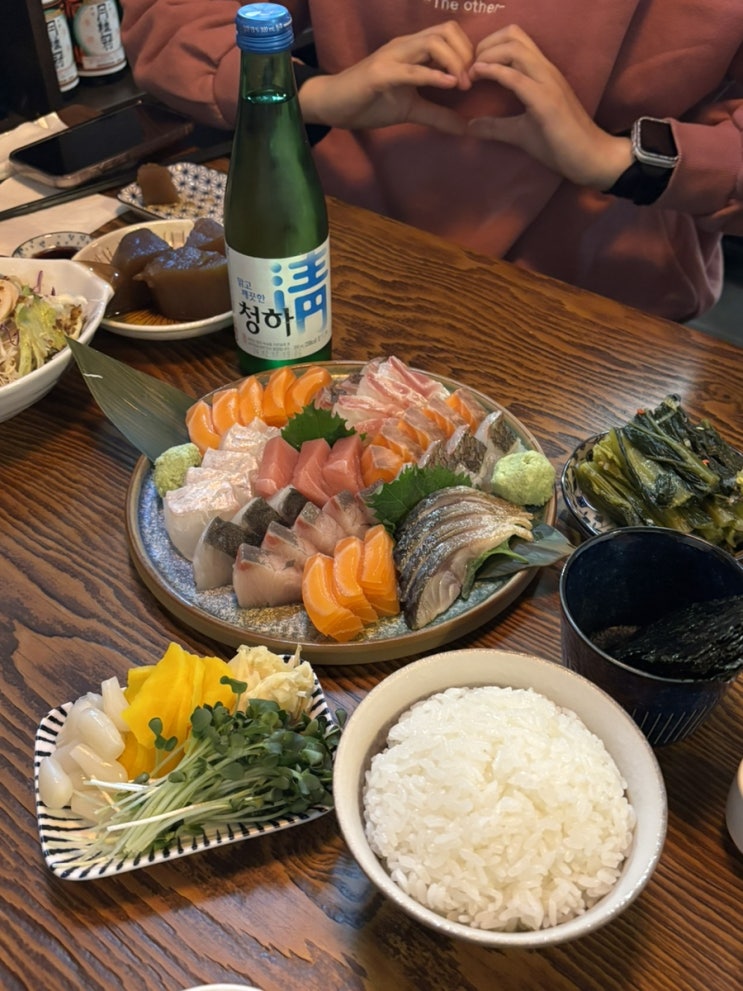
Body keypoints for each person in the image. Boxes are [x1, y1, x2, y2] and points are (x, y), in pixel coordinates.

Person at [119, 1, 743, 322]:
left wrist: (619, 159)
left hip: (604, 299)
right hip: (345, 263)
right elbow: (172, 17)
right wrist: (316, 95)